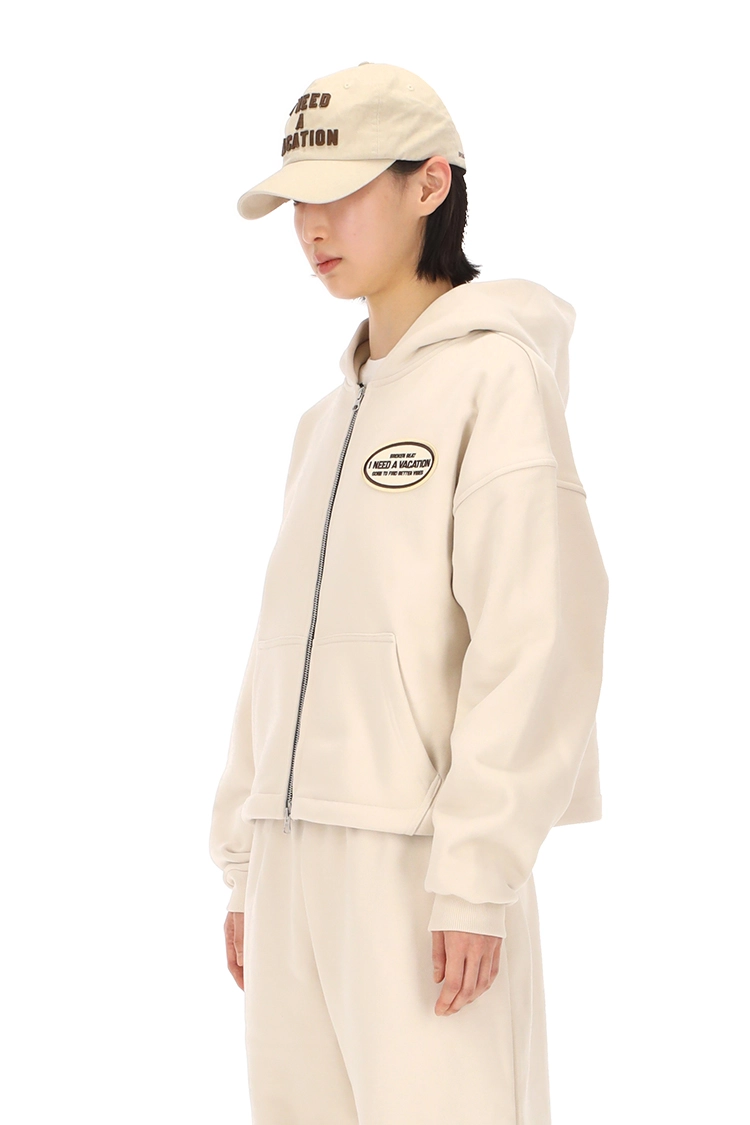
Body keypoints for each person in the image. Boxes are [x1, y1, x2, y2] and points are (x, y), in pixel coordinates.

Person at [208, 60, 608, 1125]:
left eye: (339, 191)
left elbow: (538, 636)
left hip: (419, 862)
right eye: (296, 202)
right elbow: (277, 651)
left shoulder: (494, 380)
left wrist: (477, 872)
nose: (311, 227)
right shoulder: (323, 424)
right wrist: (246, 859)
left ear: (429, 184)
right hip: (291, 860)